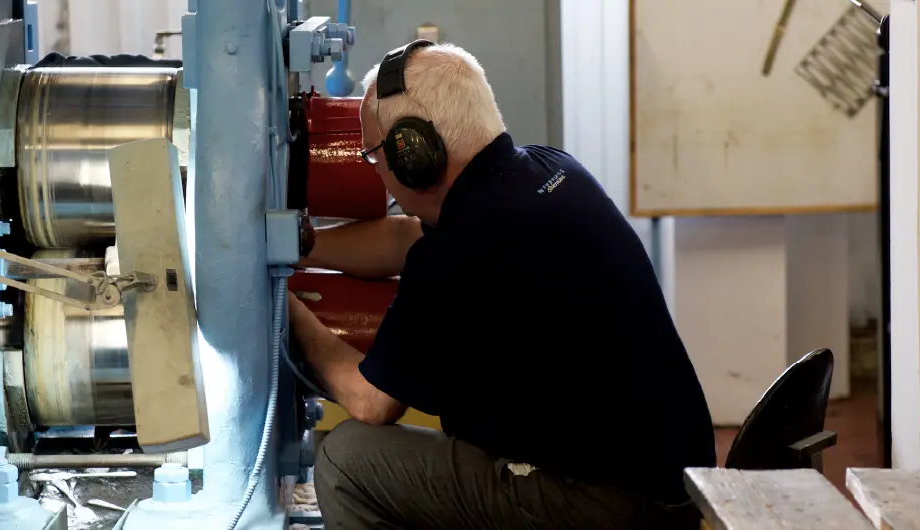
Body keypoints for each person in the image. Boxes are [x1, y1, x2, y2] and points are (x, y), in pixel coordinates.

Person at [287, 40, 716, 529]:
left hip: (607, 506)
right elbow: (405, 237)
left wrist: (290, 310)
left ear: (415, 153)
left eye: (375, 155)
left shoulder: (459, 251)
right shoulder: (551, 169)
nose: (378, 171)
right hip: (672, 482)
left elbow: (369, 401)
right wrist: (300, 246)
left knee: (348, 459)